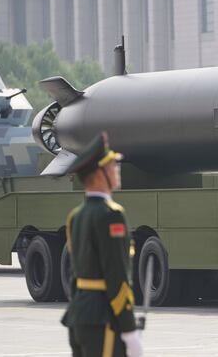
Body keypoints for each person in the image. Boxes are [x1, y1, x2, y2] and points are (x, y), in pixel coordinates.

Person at [61, 132, 143, 357]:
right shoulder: (110, 215)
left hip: (80, 316)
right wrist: (128, 329)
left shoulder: (76, 216)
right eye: (112, 165)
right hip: (104, 319)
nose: (117, 169)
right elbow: (116, 274)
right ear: (99, 174)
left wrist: (79, 309)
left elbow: (75, 274)